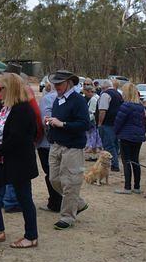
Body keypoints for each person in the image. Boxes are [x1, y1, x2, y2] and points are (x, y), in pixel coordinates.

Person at [0, 73, 39, 248]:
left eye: (1, 88)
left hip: (18, 162)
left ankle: (31, 236)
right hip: (1, 160)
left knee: (24, 197)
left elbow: (16, 138)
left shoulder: (23, 109)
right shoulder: (4, 106)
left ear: (11, 88)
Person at [45, 70, 89, 230]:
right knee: (54, 179)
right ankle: (78, 203)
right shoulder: (58, 100)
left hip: (72, 147)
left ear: (69, 83)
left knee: (70, 182)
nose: (56, 86)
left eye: (59, 84)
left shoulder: (78, 100)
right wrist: (50, 122)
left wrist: (62, 124)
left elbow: (84, 124)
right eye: (54, 84)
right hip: (56, 145)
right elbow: (59, 120)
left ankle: (67, 217)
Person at [113, 83, 146, 194]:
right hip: (138, 137)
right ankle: (137, 186)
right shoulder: (140, 106)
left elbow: (118, 122)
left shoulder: (125, 106)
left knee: (126, 161)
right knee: (135, 161)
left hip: (126, 136)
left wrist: (115, 132)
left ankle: (127, 187)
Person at [37, 82, 61, 213]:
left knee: (51, 173)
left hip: (47, 144)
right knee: (58, 173)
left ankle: (55, 202)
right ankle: (59, 201)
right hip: (59, 143)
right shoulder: (67, 99)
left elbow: (45, 120)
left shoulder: (47, 99)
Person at [96, 79, 122, 171]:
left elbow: (103, 110)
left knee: (108, 146)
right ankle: (115, 164)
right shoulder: (118, 94)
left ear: (103, 87)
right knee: (115, 145)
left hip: (107, 124)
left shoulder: (105, 94)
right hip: (116, 124)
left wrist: (99, 123)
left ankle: (114, 165)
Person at [83, 85, 102, 161]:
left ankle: (94, 156)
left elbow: (92, 112)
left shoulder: (94, 99)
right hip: (94, 121)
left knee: (93, 137)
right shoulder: (97, 97)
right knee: (95, 138)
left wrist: (87, 120)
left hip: (92, 122)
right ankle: (95, 155)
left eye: (86, 93)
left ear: (89, 92)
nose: (85, 95)